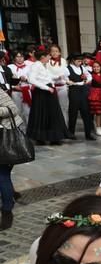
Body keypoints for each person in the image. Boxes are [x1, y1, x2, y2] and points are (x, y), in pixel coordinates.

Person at [26, 50, 70, 146]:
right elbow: (31, 79)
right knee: (43, 114)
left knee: (52, 114)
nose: (50, 57)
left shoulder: (42, 65)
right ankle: (41, 137)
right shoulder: (36, 65)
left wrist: (58, 77)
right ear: (42, 57)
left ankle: (53, 137)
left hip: (48, 91)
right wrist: (46, 88)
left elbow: (46, 76)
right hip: (42, 93)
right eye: (48, 55)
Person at [0, 89, 24, 230]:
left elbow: (12, 109)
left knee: (2, 175)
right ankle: (12, 193)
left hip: (5, 137)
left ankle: (7, 211)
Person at [65, 53, 95, 140]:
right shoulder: (67, 69)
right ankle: (71, 133)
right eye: (78, 61)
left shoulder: (82, 68)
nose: (80, 62)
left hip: (83, 92)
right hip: (73, 92)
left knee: (86, 113)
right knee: (73, 113)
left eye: (81, 61)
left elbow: (89, 76)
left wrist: (87, 80)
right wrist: (69, 82)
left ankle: (88, 134)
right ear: (73, 60)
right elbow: (64, 79)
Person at [7, 51, 31, 121]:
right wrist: (14, 86)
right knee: (18, 112)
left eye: (21, 56)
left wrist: (26, 79)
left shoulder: (29, 67)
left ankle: (28, 130)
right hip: (16, 92)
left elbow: (33, 79)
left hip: (26, 91)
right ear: (14, 58)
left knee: (28, 112)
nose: (20, 58)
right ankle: (20, 131)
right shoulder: (10, 67)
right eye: (18, 56)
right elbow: (8, 80)